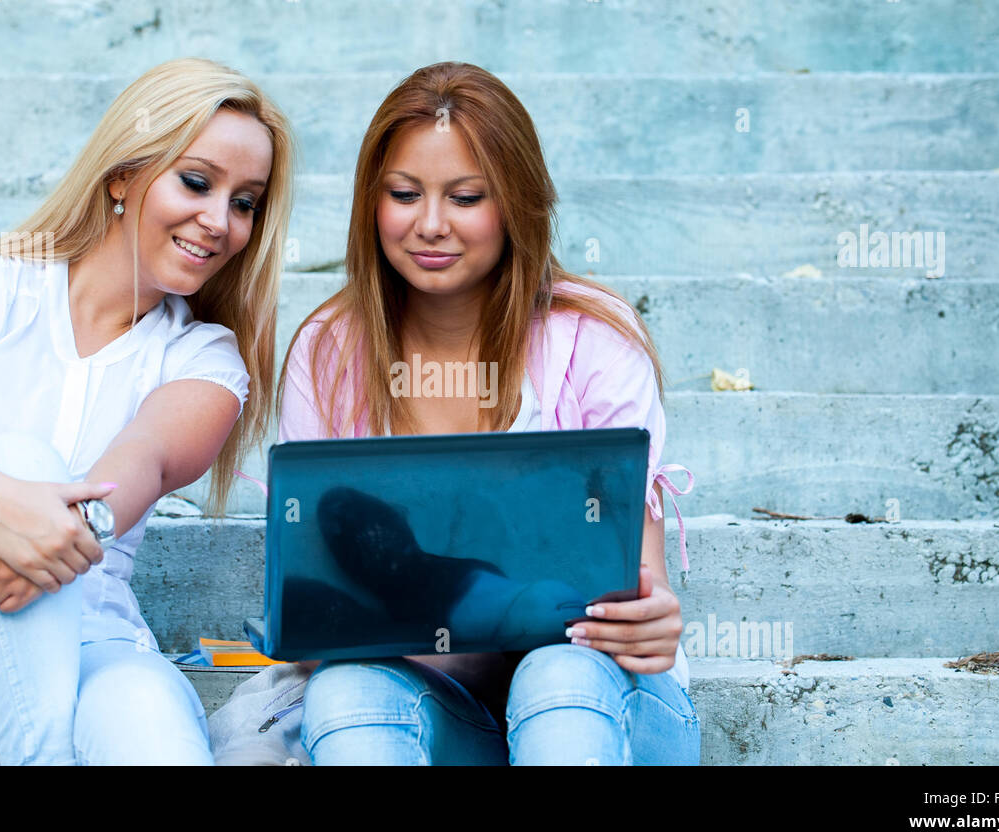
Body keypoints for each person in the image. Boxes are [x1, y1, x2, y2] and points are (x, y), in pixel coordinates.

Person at [0, 57, 295, 765]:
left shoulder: (205, 356)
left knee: (147, 710)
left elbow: (147, 458)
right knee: (17, 462)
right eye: (196, 181)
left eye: (245, 202)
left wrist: (50, 536)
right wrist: (4, 505)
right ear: (123, 175)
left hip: (96, 647)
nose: (219, 221)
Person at [276, 61, 700, 765]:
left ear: (516, 204)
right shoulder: (328, 352)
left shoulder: (592, 338)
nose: (431, 225)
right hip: (441, 708)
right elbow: (326, 621)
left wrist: (648, 622)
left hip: (597, 703)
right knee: (346, 692)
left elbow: (634, 586)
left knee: (555, 675)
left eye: (466, 197)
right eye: (404, 194)